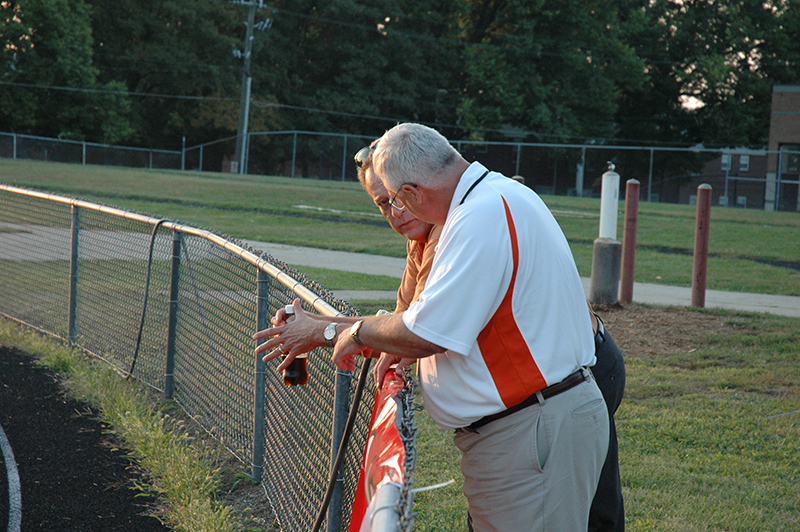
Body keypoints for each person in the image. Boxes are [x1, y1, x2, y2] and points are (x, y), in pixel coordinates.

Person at [257, 123, 609, 531]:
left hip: (532, 430)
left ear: (412, 192)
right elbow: (418, 321)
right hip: (534, 425)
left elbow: (423, 332)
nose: (396, 212)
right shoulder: (493, 196)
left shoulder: (478, 217)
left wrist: (336, 333)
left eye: (395, 199)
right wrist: (321, 326)